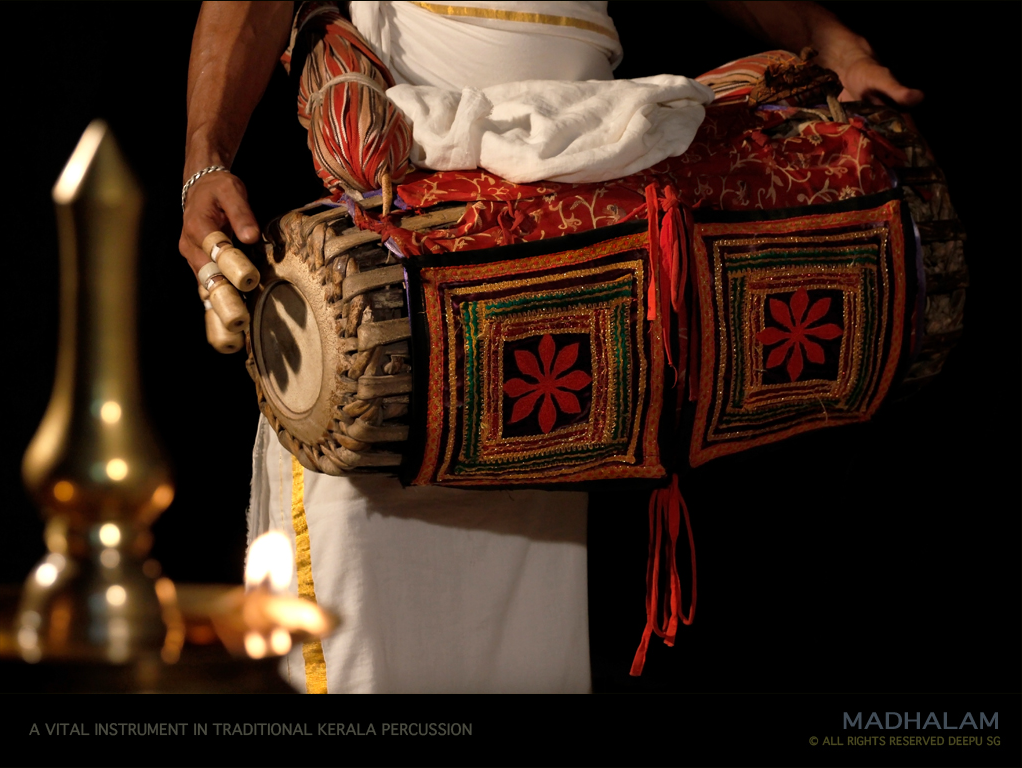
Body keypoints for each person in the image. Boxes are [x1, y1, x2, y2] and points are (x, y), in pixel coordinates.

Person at [179, 1, 921, 693]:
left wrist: (831, 43)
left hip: (566, 251)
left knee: (521, 650)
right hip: (403, 258)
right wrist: (205, 162)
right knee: (365, 630)